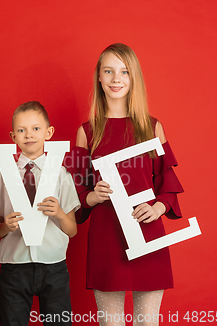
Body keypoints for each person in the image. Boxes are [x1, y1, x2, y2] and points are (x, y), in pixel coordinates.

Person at [73, 43, 184, 326]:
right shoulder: (86, 132)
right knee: (111, 323)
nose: (115, 79)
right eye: (108, 71)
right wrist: (93, 197)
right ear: (99, 77)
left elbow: (166, 180)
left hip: (147, 235)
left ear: (134, 77)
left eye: (123, 72)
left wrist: (158, 207)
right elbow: (76, 191)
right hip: (106, 239)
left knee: (147, 323)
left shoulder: (152, 127)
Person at [0, 101, 80, 326]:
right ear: (13, 137)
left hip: (54, 266)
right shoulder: (3, 176)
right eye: (22, 130)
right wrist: (6, 226)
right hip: (14, 267)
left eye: (36, 128)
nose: (29, 135)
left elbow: (72, 230)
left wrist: (58, 213)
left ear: (48, 133)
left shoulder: (60, 175)